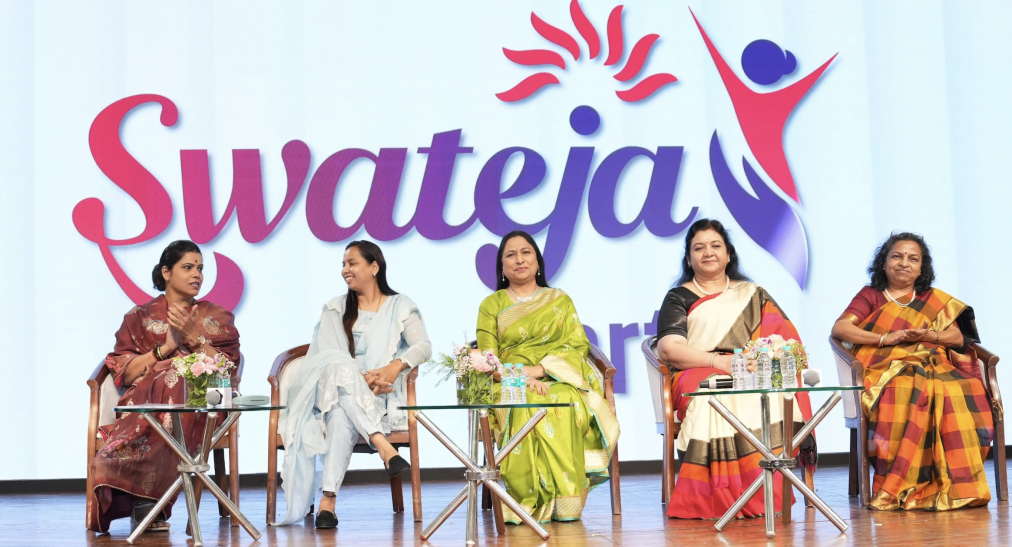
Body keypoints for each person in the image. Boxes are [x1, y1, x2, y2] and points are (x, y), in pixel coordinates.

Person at [656, 218, 813, 520]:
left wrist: (762, 360)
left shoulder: (753, 294)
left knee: (766, 393)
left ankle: (765, 490)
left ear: (728, 254)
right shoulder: (678, 297)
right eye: (699, 248)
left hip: (750, 371)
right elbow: (669, 349)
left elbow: (783, 341)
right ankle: (715, 496)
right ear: (688, 259)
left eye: (716, 245)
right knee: (714, 396)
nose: (708, 252)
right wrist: (718, 362)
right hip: (695, 371)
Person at [831, 232, 993, 511]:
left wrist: (930, 335)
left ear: (921, 268)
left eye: (913, 258)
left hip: (933, 364)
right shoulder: (871, 295)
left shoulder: (933, 299)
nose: (904, 263)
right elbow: (841, 328)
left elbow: (957, 338)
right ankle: (901, 484)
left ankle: (956, 485)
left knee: (959, 387)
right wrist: (885, 339)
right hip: (885, 370)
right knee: (906, 387)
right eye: (897, 256)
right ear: (884, 263)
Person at [88, 240, 240, 533]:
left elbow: (228, 370)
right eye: (188, 267)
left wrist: (195, 339)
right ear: (166, 272)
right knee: (169, 382)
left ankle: (149, 501)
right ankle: (144, 499)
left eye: (200, 268)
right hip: (149, 401)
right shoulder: (139, 317)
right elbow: (125, 373)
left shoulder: (217, 316)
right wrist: (165, 350)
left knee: (180, 381)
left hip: (207, 401)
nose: (197, 274)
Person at [276, 241, 431, 528]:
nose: (345, 270)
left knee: (340, 415)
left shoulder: (401, 306)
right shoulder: (335, 309)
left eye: (352, 263)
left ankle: (328, 502)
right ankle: (383, 446)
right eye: (343, 264)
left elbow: (423, 346)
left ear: (374, 267)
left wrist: (394, 366)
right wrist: (360, 381)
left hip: (383, 396)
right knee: (338, 383)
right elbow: (326, 361)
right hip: (334, 394)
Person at [475, 230, 619, 524]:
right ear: (502, 266)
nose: (519, 260)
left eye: (526, 252)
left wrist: (541, 370)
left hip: (557, 377)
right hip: (509, 381)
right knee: (524, 398)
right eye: (511, 255)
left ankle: (565, 501)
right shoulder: (491, 305)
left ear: (537, 261)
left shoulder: (560, 300)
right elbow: (488, 358)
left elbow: (576, 346)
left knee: (565, 399)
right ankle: (525, 498)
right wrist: (519, 376)